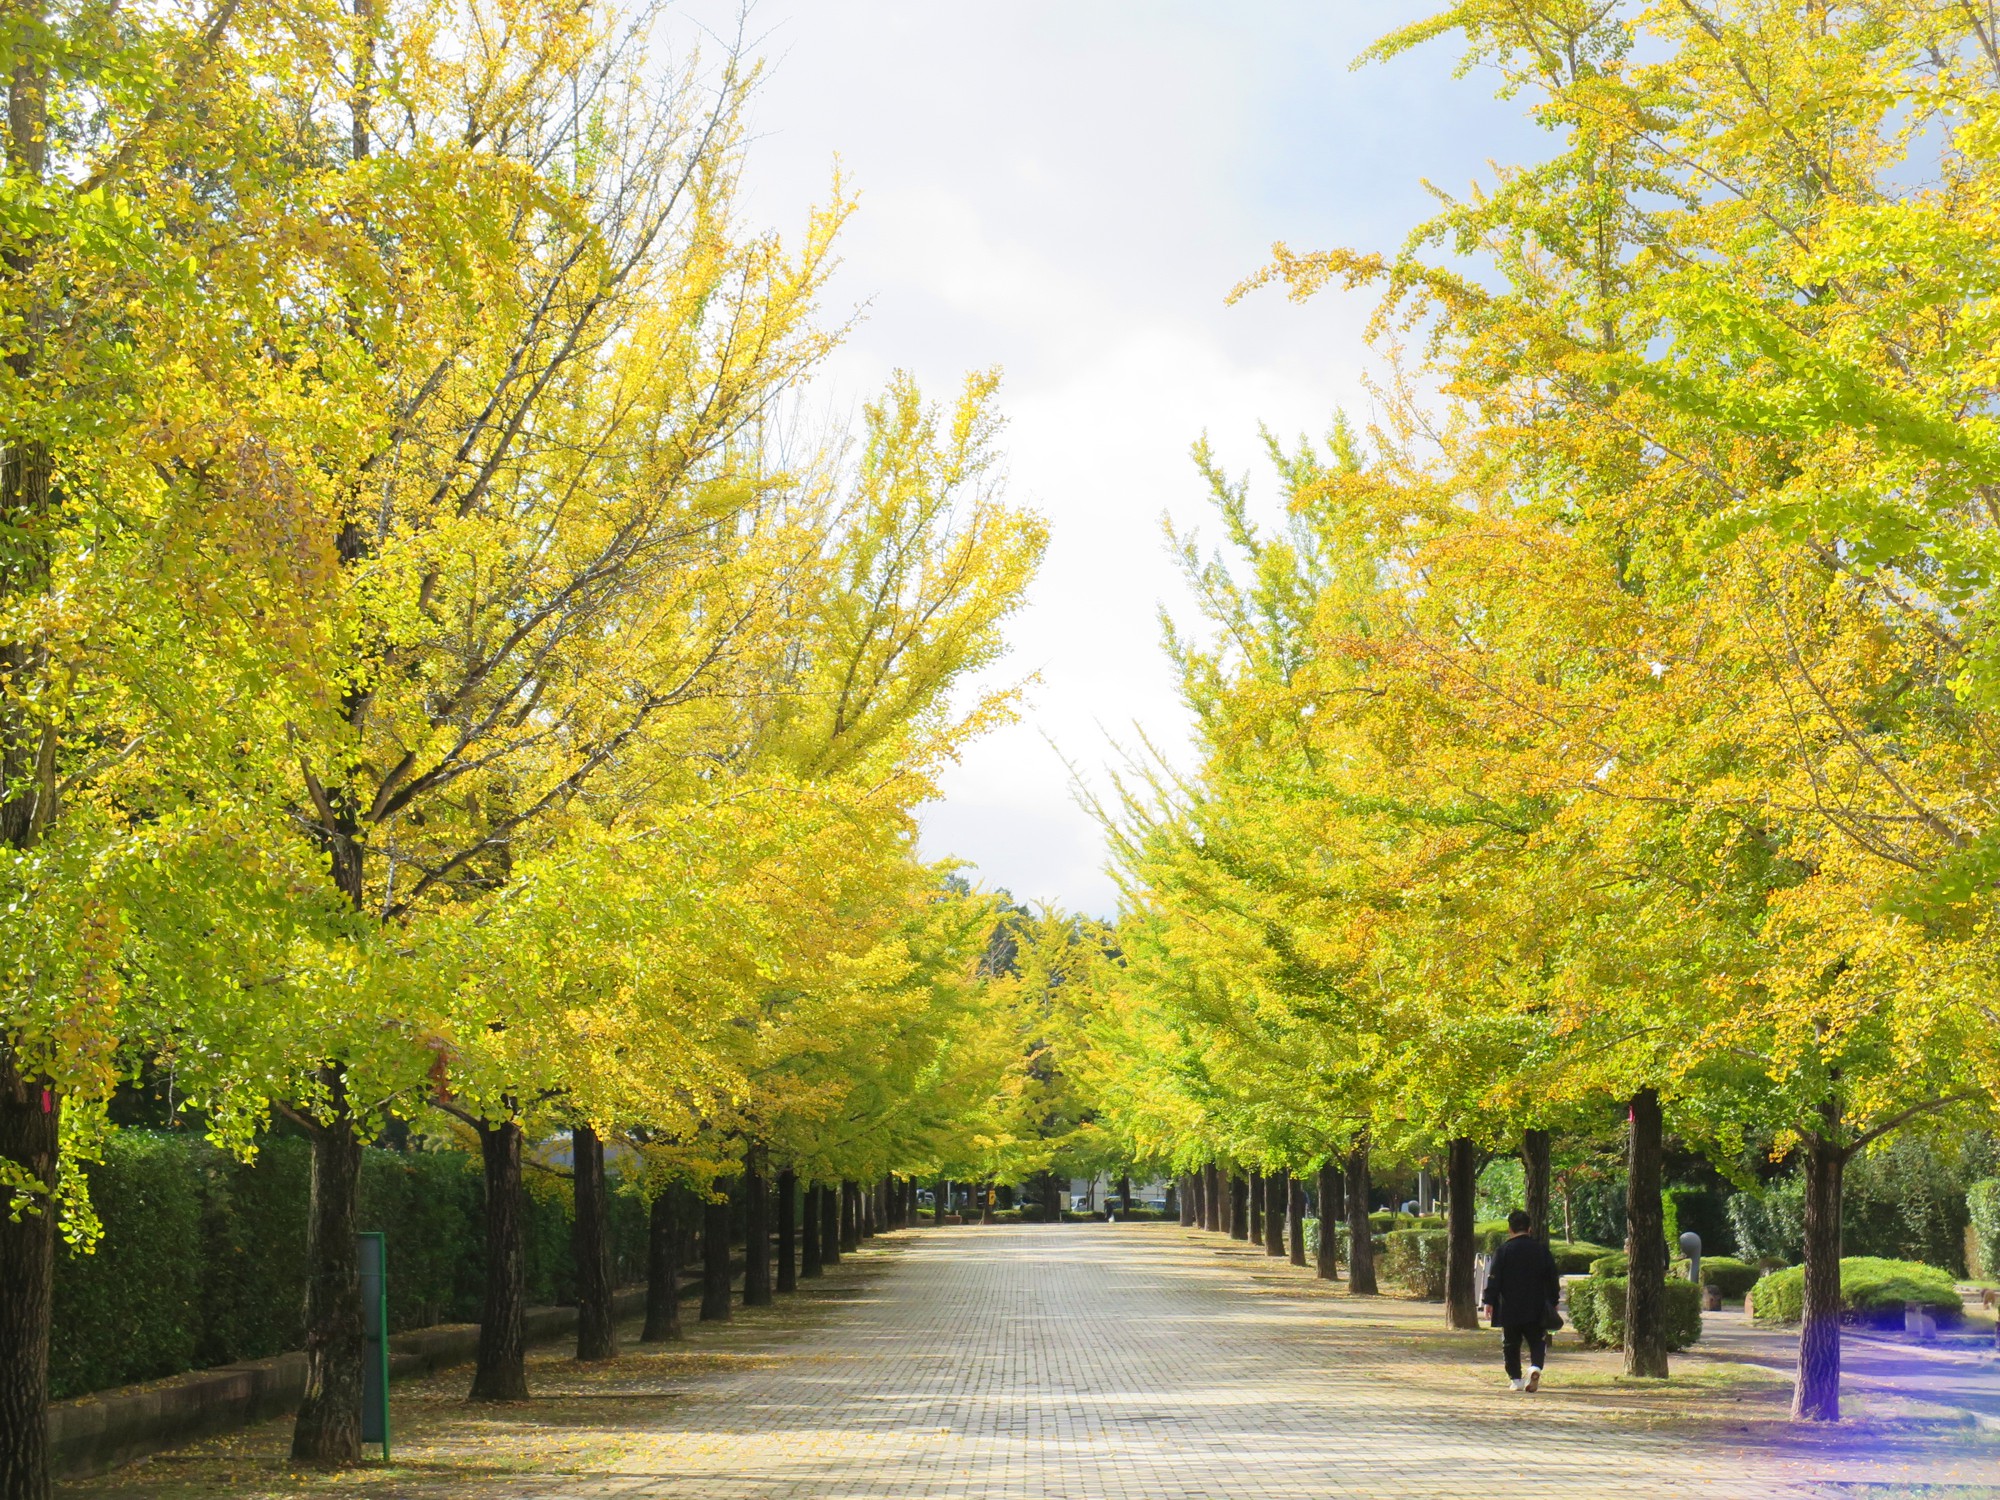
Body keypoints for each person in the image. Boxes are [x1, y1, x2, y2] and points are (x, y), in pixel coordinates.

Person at [1481, 1208, 1561, 1392]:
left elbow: (1494, 1278)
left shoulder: (1503, 1251)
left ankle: (1515, 1379)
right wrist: (1554, 1299)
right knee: (1537, 1340)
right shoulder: (1541, 1250)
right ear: (1530, 1228)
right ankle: (1535, 1367)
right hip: (1536, 1305)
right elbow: (1552, 1277)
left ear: (1510, 1229)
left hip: (1510, 1306)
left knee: (1510, 1343)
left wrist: (1489, 1301)